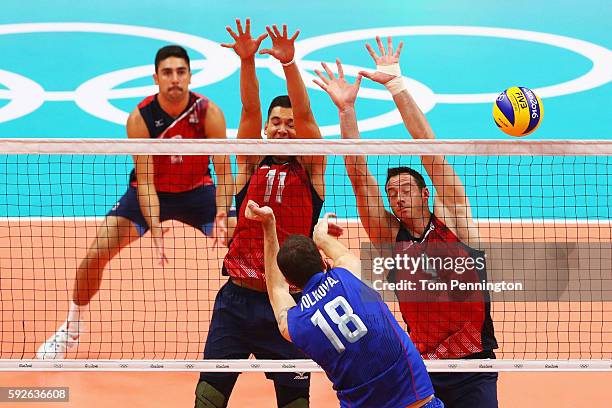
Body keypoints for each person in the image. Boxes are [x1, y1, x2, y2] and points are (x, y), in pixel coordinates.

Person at [313, 37, 498, 407]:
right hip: (420, 367)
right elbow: (358, 174)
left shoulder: (456, 220)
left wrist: (396, 86)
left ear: (425, 193)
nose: (398, 197)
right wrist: (346, 111)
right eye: (392, 193)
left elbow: (426, 141)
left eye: (405, 189)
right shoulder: (389, 238)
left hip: (473, 363)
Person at [37, 45, 234, 359]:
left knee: (247, 238)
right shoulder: (141, 118)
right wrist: (153, 225)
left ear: (190, 75)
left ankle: (278, 323)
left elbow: (224, 172)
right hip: (152, 192)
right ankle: (71, 327)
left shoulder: (208, 113)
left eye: (181, 72)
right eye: (167, 73)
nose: (175, 79)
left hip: (199, 192)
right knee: (95, 254)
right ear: (156, 77)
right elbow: (144, 179)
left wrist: (224, 212)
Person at [194, 20, 325, 408]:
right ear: (267, 129)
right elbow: (249, 107)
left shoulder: (311, 169)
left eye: (290, 124)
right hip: (235, 302)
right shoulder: (251, 163)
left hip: (288, 307)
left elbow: (305, 113)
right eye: (276, 123)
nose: (284, 129)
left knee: (295, 404)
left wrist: (289, 65)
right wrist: (247, 61)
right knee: (207, 400)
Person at [245, 201, 443, 408]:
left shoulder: (295, 324)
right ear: (323, 261)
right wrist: (321, 238)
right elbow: (338, 253)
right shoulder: (350, 274)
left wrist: (268, 225)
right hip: (418, 401)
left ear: (290, 283)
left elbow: (276, 289)